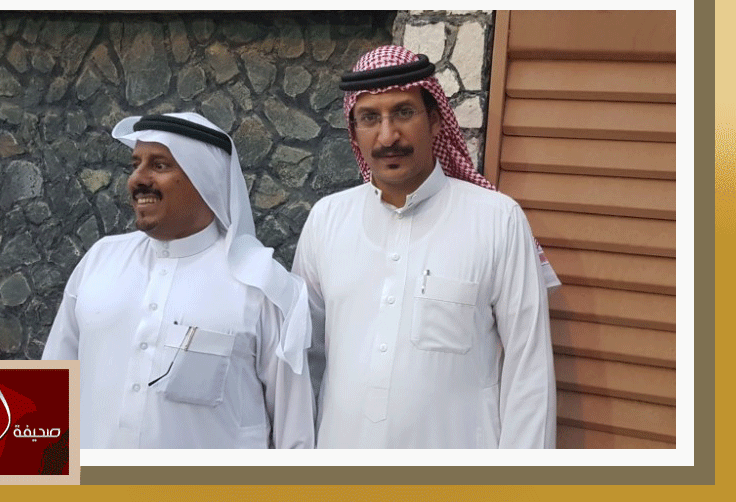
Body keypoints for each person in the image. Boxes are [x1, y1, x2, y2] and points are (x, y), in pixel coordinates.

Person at [292, 45, 558, 448]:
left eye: (403, 112)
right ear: (354, 129)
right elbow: (301, 361)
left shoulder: (497, 220)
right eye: (370, 118)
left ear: (435, 121)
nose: (388, 136)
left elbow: (529, 372)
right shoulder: (326, 220)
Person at [43, 112, 315, 449]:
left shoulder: (260, 284)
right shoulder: (99, 261)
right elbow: (50, 392)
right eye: (135, 165)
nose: (137, 179)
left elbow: (296, 434)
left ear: (205, 180)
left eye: (159, 165)